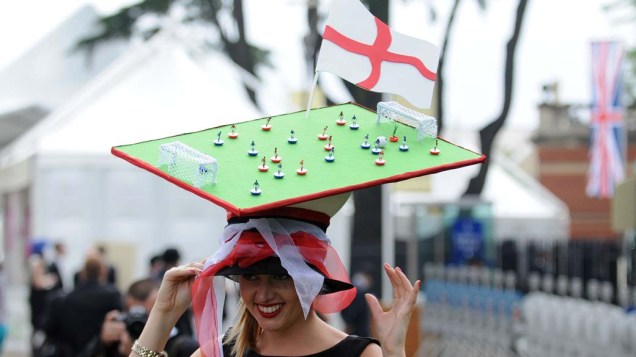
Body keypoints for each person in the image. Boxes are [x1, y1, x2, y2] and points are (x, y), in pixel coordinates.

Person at [111, 100, 483, 356]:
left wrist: (395, 350)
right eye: (250, 277)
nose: (263, 294)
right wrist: (161, 315)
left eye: (279, 276)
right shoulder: (222, 352)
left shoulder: (360, 353)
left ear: (311, 278)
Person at [81, 278, 198, 357]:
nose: (140, 321)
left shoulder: (184, 347)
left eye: (147, 314)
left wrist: (139, 352)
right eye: (133, 314)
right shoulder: (119, 339)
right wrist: (101, 343)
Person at [43, 252, 122, 356]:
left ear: (82, 273)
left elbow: (48, 328)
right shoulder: (112, 297)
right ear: (102, 272)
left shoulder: (61, 300)